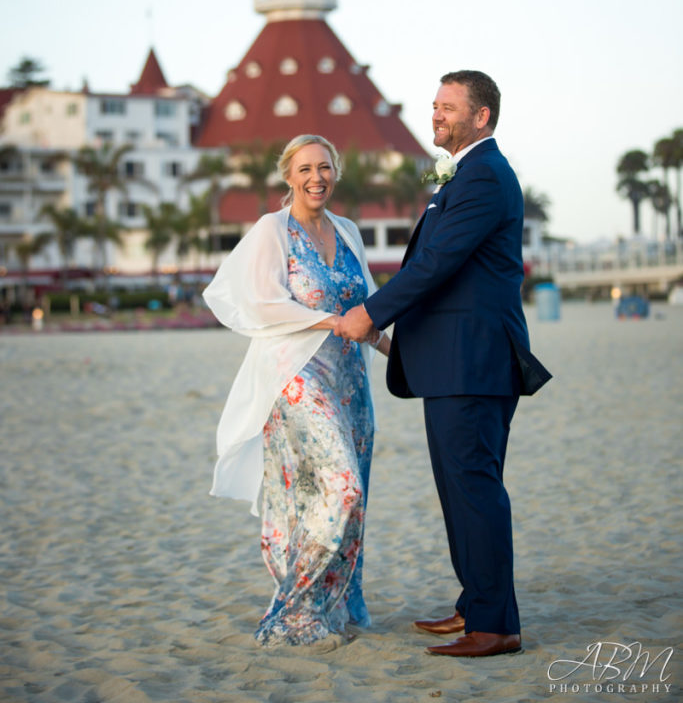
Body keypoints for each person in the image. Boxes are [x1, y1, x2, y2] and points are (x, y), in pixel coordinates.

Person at [337, 70, 551, 659]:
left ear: (481, 116)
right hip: (452, 362)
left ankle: (496, 625)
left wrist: (370, 314)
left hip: (473, 361)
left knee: (475, 489)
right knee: (459, 490)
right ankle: (476, 605)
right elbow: (435, 261)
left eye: (448, 107)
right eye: (434, 105)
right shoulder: (465, 172)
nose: (436, 115)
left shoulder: (484, 176)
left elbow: (436, 263)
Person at [203, 134, 389, 648]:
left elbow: (367, 308)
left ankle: (333, 604)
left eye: (325, 167)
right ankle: (293, 612)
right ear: (288, 176)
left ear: (336, 173)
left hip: (351, 378)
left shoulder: (348, 231)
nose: (316, 177)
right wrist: (329, 320)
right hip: (297, 376)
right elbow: (258, 303)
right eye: (305, 168)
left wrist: (403, 352)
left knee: (349, 497)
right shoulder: (272, 229)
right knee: (340, 488)